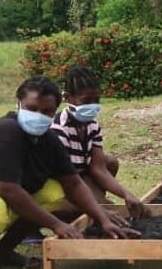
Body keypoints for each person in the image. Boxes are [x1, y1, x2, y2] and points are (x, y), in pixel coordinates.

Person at [0, 76, 135, 269]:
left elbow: (73, 183)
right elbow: (7, 189)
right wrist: (57, 224)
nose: (38, 116)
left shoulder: (48, 141)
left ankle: (1, 253)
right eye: (31, 109)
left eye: (47, 111)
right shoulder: (6, 131)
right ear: (18, 104)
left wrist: (101, 217)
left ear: (55, 110)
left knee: (54, 192)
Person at [51, 67, 146, 219]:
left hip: (79, 176)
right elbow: (67, 181)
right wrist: (102, 207)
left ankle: (92, 205)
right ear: (68, 98)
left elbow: (98, 168)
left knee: (109, 162)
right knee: (84, 209)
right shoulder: (58, 129)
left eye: (96, 100)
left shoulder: (92, 125)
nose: (92, 105)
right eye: (86, 101)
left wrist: (125, 194)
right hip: (60, 183)